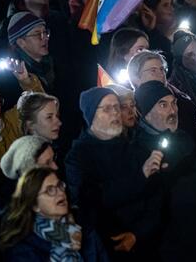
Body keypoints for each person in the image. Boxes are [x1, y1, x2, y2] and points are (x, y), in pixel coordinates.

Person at [66, 87, 161, 259]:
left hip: (148, 243)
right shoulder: (78, 157)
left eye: (117, 107)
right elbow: (92, 202)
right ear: (91, 115)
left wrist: (137, 233)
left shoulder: (132, 148)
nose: (116, 113)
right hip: (111, 247)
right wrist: (141, 176)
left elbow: (156, 197)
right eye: (107, 109)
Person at [129, 81, 196, 261]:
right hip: (171, 247)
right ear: (145, 112)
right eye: (163, 105)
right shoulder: (137, 151)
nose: (172, 111)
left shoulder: (185, 138)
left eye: (174, 103)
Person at [0, 167, 108, 261]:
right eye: (50, 190)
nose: (60, 193)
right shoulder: (22, 250)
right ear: (34, 205)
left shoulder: (85, 226)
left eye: (60, 185)